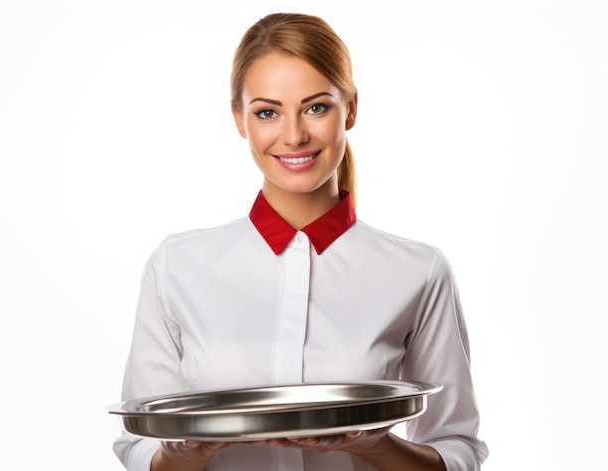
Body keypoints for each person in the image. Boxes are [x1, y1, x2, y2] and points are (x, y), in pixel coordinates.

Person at [113, 12, 488, 471]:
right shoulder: (177, 266)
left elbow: (458, 452)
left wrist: (372, 445)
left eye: (316, 107)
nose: (293, 135)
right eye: (267, 112)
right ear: (239, 120)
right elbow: (139, 450)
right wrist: (187, 452)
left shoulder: (419, 271)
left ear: (350, 109)